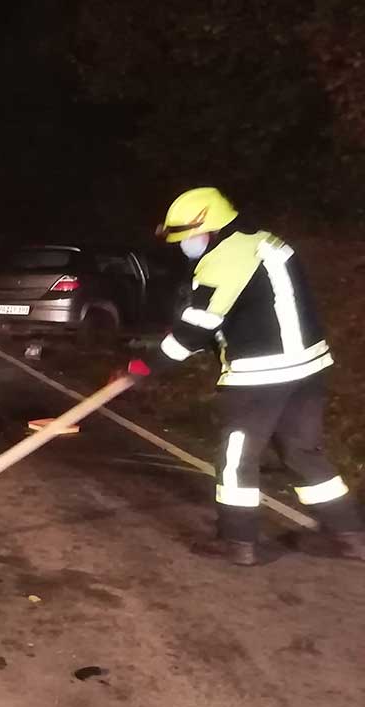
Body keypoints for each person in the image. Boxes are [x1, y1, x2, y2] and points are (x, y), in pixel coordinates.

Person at [121, 187, 362, 565]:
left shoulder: (222, 260)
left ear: (211, 228)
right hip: (309, 367)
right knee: (302, 452)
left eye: (187, 237)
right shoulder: (269, 243)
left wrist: (145, 367)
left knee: (236, 458)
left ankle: (238, 541)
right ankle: (351, 535)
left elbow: (197, 329)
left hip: (260, 374)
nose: (185, 245)